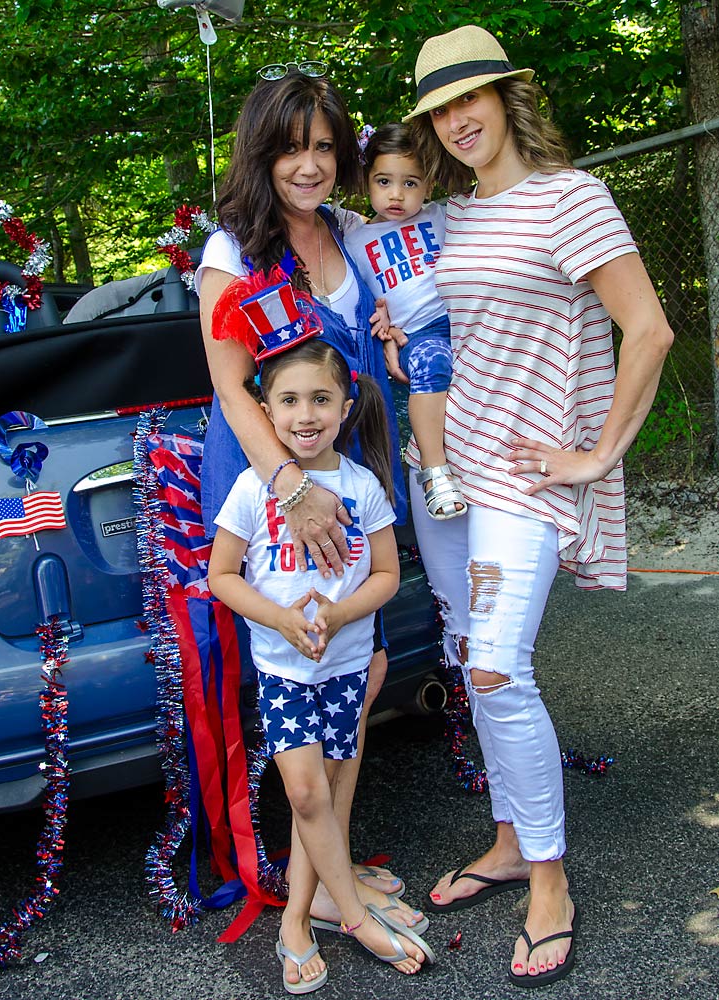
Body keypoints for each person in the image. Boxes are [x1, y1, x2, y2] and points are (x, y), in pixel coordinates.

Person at [396, 24, 674, 988]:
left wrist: (598, 453)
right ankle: (510, 838)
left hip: (528, 478)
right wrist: (407, 348)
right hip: (452, 482)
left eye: (468, 99)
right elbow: (452, 337)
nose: (456, 120)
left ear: (507, 97)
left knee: (501, 669)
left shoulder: (573, 199)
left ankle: (548, 877)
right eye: (439, 110)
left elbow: (649, 328)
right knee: (474, 666)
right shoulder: (453, 219)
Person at [194, 62, 427, 949]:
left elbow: (389, 330)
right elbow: (229, 385)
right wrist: (293, 495)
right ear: (263, 151)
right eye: (292, 147)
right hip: (277, 481)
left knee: (358, 673)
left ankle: (330, 864)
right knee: (302, 664)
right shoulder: (234, 250)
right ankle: (329, 887)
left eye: (325, 146)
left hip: (357, 467)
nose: (310, 164)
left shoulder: (353, 229)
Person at [208, 285, 435, 991]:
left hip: (343, 668)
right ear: (265, 409)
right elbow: (222, 576)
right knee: (306, 796)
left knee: (331, 794)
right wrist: (277, 619)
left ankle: (298, 920)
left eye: (319, 400)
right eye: (289, 401)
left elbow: (388, 574)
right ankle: (359, 920)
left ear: (345, 406)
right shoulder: (253, 488)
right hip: (283, 669)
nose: (305, 416)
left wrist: (337, 618)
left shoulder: (364, 486)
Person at [344, 122, 465, 520]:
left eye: (411, 183)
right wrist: (383, 326)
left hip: (465, 320)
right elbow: (363, 300)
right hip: (418, 333)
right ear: (367, 182)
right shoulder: (355, 241)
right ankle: (435, 470)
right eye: (384, 181)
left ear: (429, 185)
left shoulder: (443, 217)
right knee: (431, 363)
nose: (397, 194)